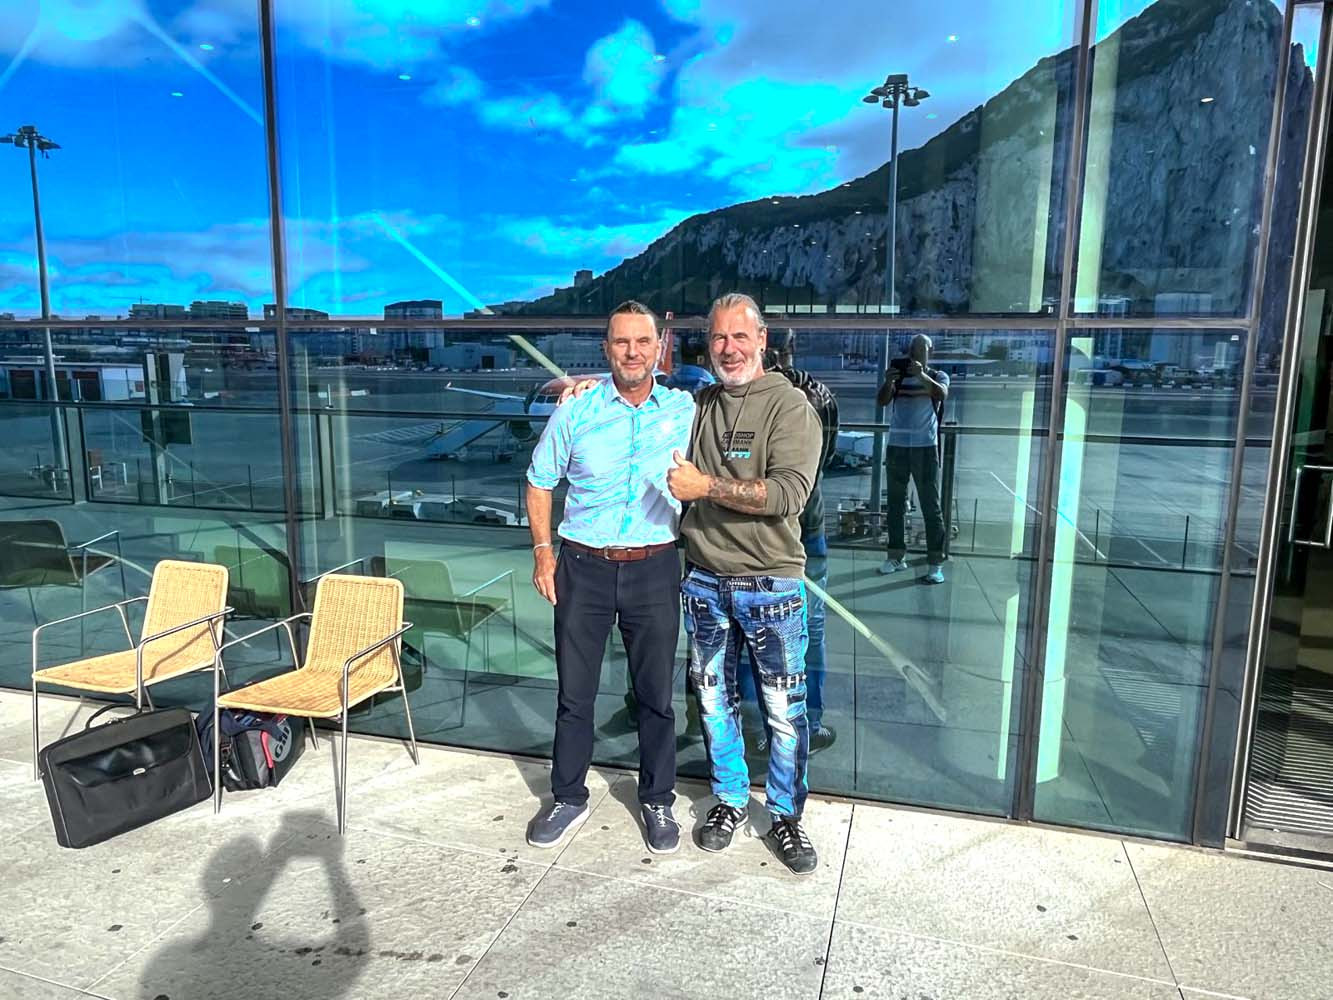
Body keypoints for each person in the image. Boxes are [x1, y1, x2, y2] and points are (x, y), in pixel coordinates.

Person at [525, 300, 696, 854]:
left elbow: (741, 395)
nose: (632, 352)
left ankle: (658, 800)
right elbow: (539, 481)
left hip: (655, 566)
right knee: (575, 695)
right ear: (606, 349)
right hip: (583, 567)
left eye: (643, 342)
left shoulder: (685, 409)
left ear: (659, 349)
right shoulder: (576, 410)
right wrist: (543, 553)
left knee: (656, 697)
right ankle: (568, 796)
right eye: (621, 342)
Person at [667, 292, 823, 876]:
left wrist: (705, 487)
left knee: (783, 711)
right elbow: (641, 395)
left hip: (770, 586)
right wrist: (586, 384)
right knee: (713, 703)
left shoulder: (790, 406)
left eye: (739, 336)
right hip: (705, 583)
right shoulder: (701, 403)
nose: (728, 348)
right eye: (718, 337)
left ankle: (785, 814)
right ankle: (730, 799)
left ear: (762, 340)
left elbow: (787, 495)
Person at [738, 328, 839, 754]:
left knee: (752, 633)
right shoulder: (817, 395)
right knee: (808, 630)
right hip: (806, 525)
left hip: (757, 531)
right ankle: (806, 723)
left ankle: (755, 725)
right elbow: (823, 458)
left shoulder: (748, 399)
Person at [876, 333, 950, 584]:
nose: (916, 353)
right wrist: (888, 382)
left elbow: (941, 394)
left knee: (931, 506)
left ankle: (935, 562)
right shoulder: (899, 377)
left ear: (931, 352)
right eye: (913, 349)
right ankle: (896, 556)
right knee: (895, 505)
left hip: (924, 447)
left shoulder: (938, 375)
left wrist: (921, 375)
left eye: (921, 349)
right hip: (897, 445)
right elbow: (882, 401)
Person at [664, 330, 717, 395]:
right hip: (687, 370)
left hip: (688, 369)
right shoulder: (709, 381)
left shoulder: (709, 381)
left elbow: (669, 384)